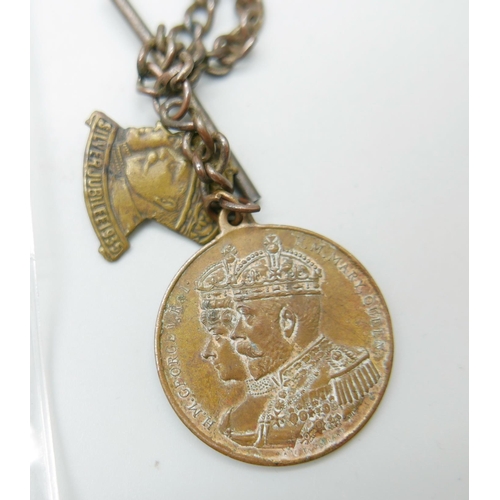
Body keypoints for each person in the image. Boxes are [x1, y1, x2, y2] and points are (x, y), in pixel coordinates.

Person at [197, 235, 381, 449]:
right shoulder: (264, 392)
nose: (236, 333)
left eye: (247, 316)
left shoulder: (347, 375)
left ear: (287, 322)